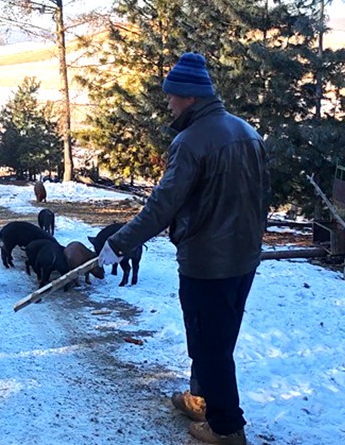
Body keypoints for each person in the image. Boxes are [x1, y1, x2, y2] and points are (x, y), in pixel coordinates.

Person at [97, 52, 270, 445]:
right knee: (216, 338)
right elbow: (264, 198)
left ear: (190, 96)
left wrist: (120, 242)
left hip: (208, 260)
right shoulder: (246, 131)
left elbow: (162, 205)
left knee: (210, 343)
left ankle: (226, 428)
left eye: (172, 96)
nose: (168, 102)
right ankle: (202, 399)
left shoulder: (190, 141)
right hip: (244, 257)